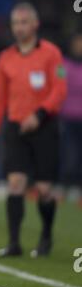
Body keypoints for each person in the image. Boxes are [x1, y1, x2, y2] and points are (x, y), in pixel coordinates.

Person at [0, 3, 67, 258]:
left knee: (44, 189)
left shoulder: (52, 54)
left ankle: (45, 236)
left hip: (45, 128)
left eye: (24, 22)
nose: (19, 27)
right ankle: (14, 243)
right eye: (15, 23)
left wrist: (40, 113)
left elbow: (60, 88)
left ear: (35, 24)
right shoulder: (5, 58)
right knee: (16, 183)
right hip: (16, 128)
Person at [59, 33, 82, 203]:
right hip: (66, 117)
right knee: (67, 153)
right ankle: (63, 184)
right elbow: (57, 85)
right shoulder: (63, 65)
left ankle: (75, 186)